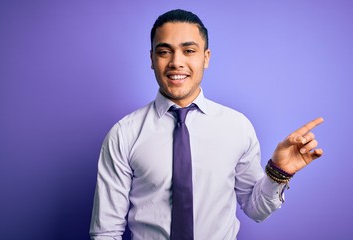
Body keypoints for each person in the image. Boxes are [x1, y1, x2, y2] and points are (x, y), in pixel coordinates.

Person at [89, 9, 324, 240]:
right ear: (152, 59)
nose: (176, 62)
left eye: (189, 50)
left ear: (206, 58)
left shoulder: (237, 127)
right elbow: (105, 232)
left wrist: (278, 173)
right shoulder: (124, 134)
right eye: (164, 52)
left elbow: (256, 210)